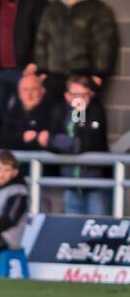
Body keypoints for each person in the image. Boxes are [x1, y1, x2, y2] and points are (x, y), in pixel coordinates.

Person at [30, 0, 119, 107]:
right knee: (55, 119)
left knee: (79, 120)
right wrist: (42, 70)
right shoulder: (52, 9)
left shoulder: (97, 9)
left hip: (83, 77)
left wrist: (99, 73)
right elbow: (41, 40)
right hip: (54, 76)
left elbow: (105, 43)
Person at [46, 74, 110, 215]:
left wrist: (61, 141)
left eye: (84, 95)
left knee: (97, 228)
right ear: (67, 96)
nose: (80, 99)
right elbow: (50, 143)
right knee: (73, 231)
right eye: (76, 95)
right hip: (70, 184)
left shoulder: (95, 111)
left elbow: (83, 144)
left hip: (94, 183)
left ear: (90, 94)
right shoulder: (60, 112)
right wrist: (60, 141)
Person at [0, 71, 55, 153]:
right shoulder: (11, 113)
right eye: (25, 90)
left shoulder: (54, 112)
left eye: (34, 89)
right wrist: (22, 137)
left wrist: (50, 139)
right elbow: (3, 138)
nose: (29, 95)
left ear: (42, 91)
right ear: (19, 93)